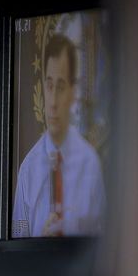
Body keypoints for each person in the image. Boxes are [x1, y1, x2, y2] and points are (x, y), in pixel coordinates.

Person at [12, 33, 105, 237]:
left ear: (72, 92)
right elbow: (16, 244)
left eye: (61, 87)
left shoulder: (90, 164)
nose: (53, 102)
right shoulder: (27, 171)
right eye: (49, 85)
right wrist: (39, 248)